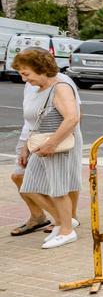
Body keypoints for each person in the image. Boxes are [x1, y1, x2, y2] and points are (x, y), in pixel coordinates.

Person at [12, 48, 83, 249]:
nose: (24, 79)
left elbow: (73, 117)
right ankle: (63, 224)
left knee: (59, 188)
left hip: (57, 145)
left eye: (26, 74)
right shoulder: (40, 88)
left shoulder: (60, 86)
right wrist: (27, 145)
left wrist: (52, 143)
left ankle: (67, 230)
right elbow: (34, 121)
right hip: (42, 144)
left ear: (41, 68)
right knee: (30, 184)